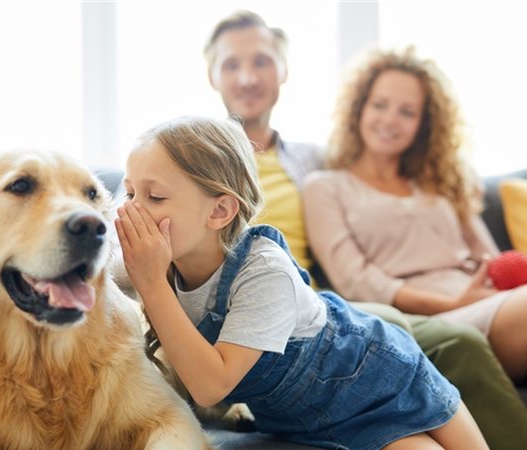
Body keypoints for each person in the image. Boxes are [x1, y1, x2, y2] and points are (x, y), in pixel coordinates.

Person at [203, 10, 527, 448]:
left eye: (261, 62)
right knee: (448, 338)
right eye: (231, 65)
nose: (246, 78)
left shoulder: (312, 161)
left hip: (330, 311)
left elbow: (491, 260)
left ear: (283, 72)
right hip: (304, 313)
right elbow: (359, 279)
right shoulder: (199, 162)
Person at [115, 115, 487, 449]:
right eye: (129, 193)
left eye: (155, 196)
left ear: (219, 210)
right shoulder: (149, 264)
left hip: (380, 380)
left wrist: (152, 284)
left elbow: (211, 386)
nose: (131, 209)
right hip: (302, 420)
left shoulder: (263, 271)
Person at [302, 47, 527, 383]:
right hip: (427, 320)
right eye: (380, 105)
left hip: (489, 302)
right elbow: (356, 281)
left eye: (407, 112)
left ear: (423, 124)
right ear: (359, 108)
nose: (390, 119)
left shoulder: (440, 183)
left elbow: (489, 259)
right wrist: (450, 302)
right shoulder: (325, 187)